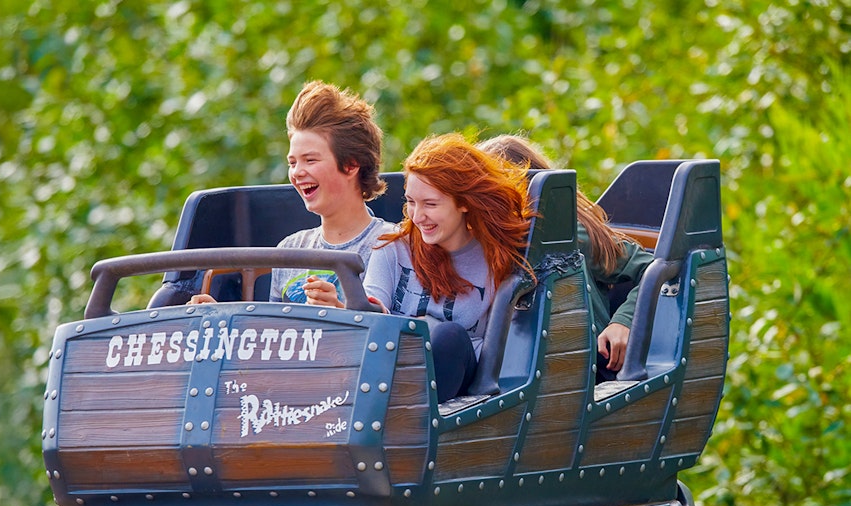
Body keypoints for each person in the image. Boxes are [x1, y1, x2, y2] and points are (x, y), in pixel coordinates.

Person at [360, 133, 535, 402]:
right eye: (411, 202)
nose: (418, 216)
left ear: (463, 202)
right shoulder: (391, 248)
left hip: (460, 386)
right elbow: (374, 309)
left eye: (430, 204)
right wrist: (349, 306)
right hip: (391, 372)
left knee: (449, 337)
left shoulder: (499, 259)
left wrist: (424, 328)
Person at [188, 80, 396, 306]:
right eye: (292, 162)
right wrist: (221, 315)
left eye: (310, 160)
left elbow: (393, 328)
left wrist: (339, 310)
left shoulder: (388, 243)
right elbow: (275, 334)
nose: (297, 172)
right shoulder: (289, 250)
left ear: (351, 165)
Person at [477, 134, 654, 380]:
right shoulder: (484, 238)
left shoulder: (569, 231)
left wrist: (622, 322)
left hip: (588, 365)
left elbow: (651, 269)